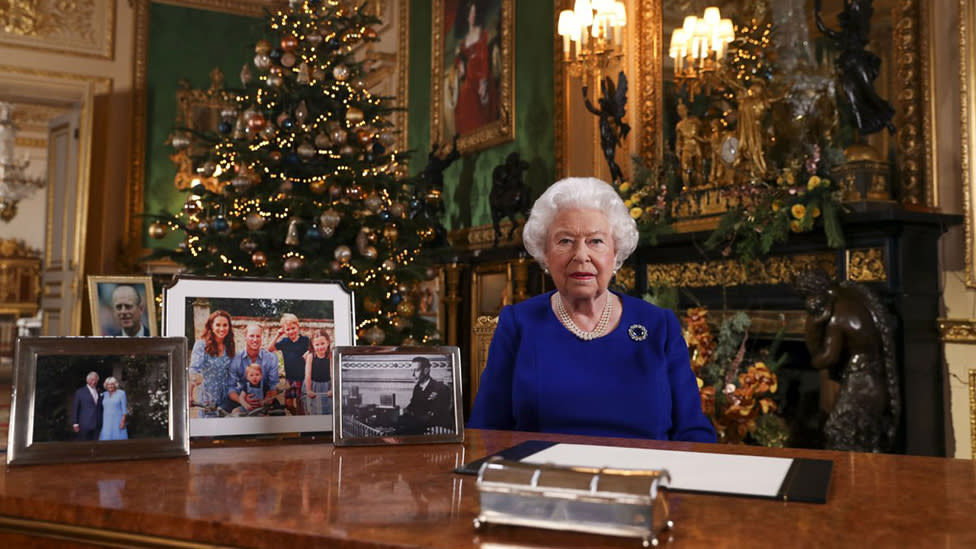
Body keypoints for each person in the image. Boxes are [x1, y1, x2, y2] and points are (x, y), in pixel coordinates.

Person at [468, 177, 717, 442]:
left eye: (595, 241)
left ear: (615, 251)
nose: (581, 255)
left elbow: (693, 430)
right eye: (565, 241)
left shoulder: (658, 325)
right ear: (545, 253)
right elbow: (486, 430)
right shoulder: (519, 323)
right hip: (543, 477)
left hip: (644, 479)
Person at [453, 0, 499, 135]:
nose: (472, 16)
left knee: (476, 96)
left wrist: (483, 80)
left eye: (474, 13)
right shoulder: (464, 40)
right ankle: (468, 134)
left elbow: (485, 57)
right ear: (467, 16)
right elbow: (459, 57)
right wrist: (459, 65)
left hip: (481, 74)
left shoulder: (482, 33)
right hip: (470, 76)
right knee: (465, 96)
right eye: (470, 13)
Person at [189, 310, 235, 418]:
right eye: (218, 325)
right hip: (208, 398)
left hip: (226, 399)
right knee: (209, 431)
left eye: (225, 325)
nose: (222, 329)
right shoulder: (201, 345)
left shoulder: (229, 346)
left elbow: (233, 372)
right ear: (211, 326)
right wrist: (190, 395)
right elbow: (194, 371)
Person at [227, 323, 279, 414]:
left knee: (279, 415)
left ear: (261, 337)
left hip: (264, 399)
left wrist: (267, 400)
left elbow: (273, 386)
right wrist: (242, 400)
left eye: (258, 336)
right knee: (226, 412)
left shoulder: (271, 358)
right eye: (251, 336)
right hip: (241, 399)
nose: (255, 340)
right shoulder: (235, 359)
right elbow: (231, 387)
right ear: (245, 336)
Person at [269, 313, 310, 415]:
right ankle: (295, 414)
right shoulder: (284, 341)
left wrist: (308, 353)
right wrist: (278, 335)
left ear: (298, 326)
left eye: (293, 328)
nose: (291, 331)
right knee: (288, 404)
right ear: (284, 330)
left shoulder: (305, 340)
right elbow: (270, 348)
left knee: (301, 403)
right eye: (288, 329)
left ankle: (301, 419)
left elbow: (313, 349)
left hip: (302, 377)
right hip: (289, 378)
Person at [400, 357, 453, 435]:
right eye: (412, 370)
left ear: (426, 370)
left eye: (416, 370)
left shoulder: (441, 388)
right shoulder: (417, 387)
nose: (413, 374)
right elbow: (413, 405)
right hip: (419, 425)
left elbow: (435, 415)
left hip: (434, 428)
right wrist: (403, 411)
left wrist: (412, 418)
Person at [304, 328, 333, 416]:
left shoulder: (330, 356)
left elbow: (333, 374)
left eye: (322, 343)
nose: (320, 347)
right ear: (312, 345)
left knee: (328, 408)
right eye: (317, 344)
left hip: (327, 385)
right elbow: (307, 375)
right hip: (314, 385)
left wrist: (332, 389)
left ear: (328, 342)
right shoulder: (310, 356)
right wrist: (309, 390)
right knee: (314, 409)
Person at [72, 371, 102, 440]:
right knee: (84, 446)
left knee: (95, 446)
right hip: (84, 424)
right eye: (92, 379)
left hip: (97, 425)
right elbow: (75, 408)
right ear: (87, 380)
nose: (94, 382)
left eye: (96, 380)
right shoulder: (80, 392)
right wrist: (75, 423)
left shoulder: (99, 391)